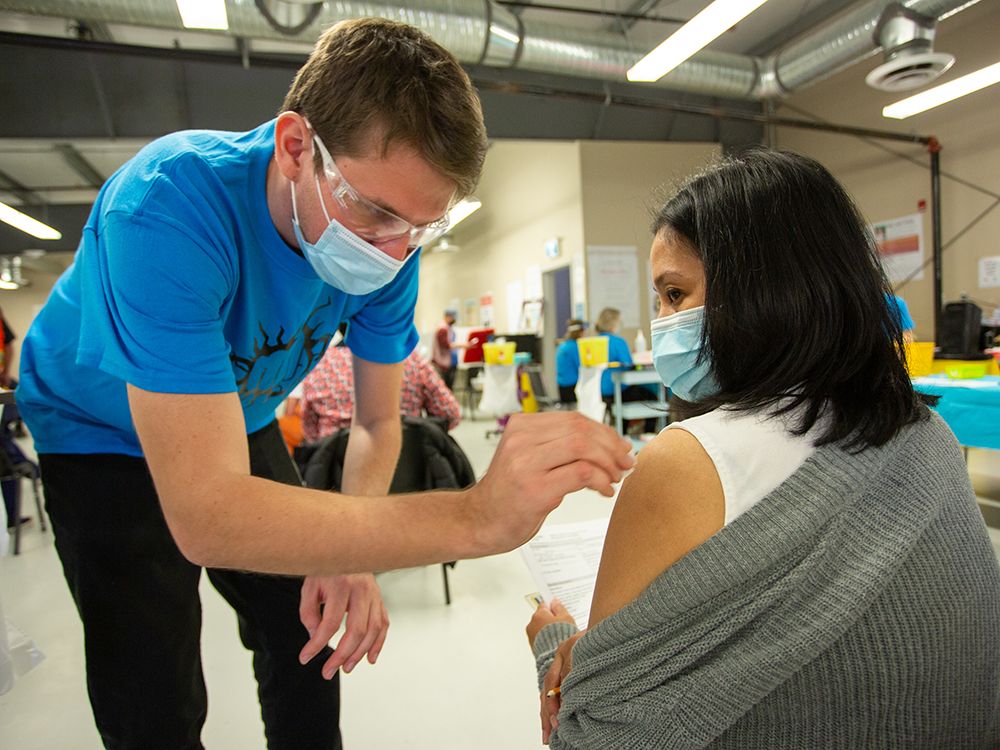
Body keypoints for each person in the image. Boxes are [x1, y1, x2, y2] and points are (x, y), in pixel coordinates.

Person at [15, 19, 633, 750]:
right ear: (295, 147)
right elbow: (206, 515)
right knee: (152, 680)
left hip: (240, 410)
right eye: (374, 212)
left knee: (307, 627)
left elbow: (376, 423)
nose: (393, 252)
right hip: (94, 426)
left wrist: (353, 553)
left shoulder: (392, 248)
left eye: (420, 228)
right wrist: (473, 517)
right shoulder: (166, 205)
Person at [526, 150, 1000, 748]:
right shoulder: (927, 433)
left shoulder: (689, 460)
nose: (664, 321)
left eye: (675, 294)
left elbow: (590, 737)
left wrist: (552, 651)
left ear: (763, 291)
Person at [301, 331, 461, 442]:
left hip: (333, 473)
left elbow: (309, 428)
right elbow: (450, 414)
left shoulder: (319, 364)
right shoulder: (412, 361)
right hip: (406, 471)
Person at [431, 307, 465, 389]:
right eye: (453, 317)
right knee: (446, 388)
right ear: (448, 316)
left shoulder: (448, 328)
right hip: (443, 364)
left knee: (450, 386)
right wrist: (463, 345)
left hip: (450, 362)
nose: (454, 320)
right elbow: (446, 345)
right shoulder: (442, 328)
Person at [555, 319, 586, 404]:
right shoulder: (574, 347)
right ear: (580, 332)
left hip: (562, 387)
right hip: (572, 388)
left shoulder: (562, 346)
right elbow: (581, 367)